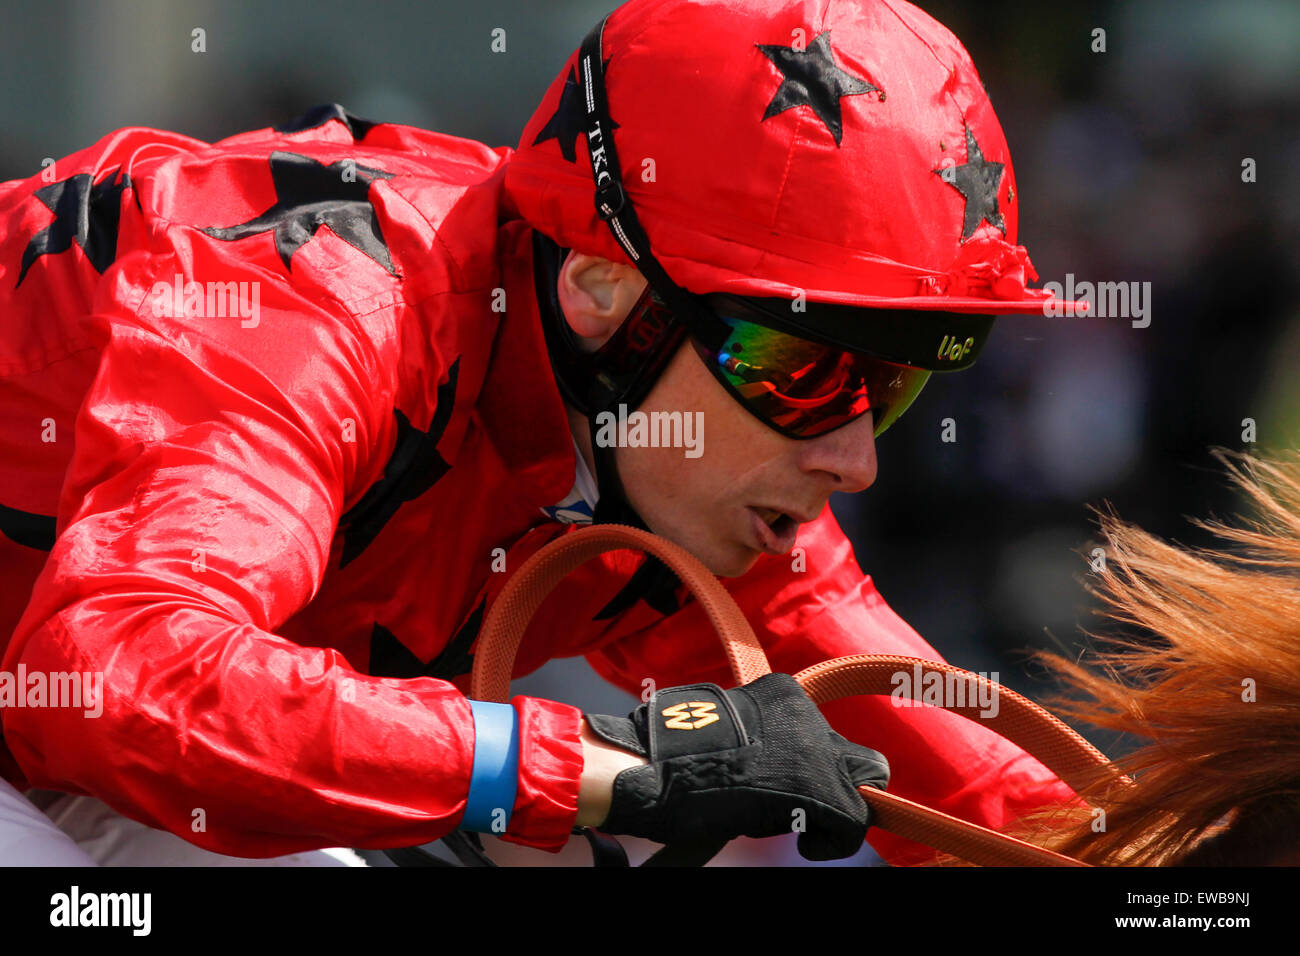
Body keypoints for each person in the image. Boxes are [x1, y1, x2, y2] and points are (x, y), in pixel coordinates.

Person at [0, 0, 1083, 866]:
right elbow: (115, 676)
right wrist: (597, 760)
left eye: (887, 386)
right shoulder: (323, 307)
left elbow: (998, 808)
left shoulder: (693, 455)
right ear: (604, 289)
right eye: (799, 366)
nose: (856, 457)